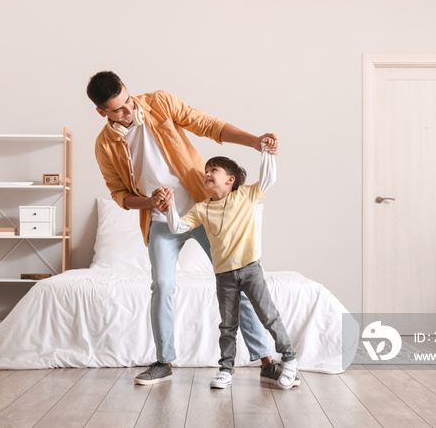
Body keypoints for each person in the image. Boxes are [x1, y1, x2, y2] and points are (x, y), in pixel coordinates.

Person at [88, 71, 295, 387]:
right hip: (161, 220)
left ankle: (266, 360)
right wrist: (150, 202)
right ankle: (164, 361)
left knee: (236, 277)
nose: (129, 112)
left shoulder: (159, 102)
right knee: (161, 285)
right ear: (102, 112)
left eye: (128, 101)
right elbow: (119, 195)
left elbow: (208, 125)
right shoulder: (105, 145)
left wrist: (254, 141)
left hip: (203, 212)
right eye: (118, 110)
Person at [162, 144, 298, 389]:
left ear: (230, 180)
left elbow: (269, 178)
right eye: (205, 171)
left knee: (268, 316)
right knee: (227, 326)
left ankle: (289, 358)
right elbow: (177, 228)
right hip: (223, 275)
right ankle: (226, 369)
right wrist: (169, 207)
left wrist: (266, 151)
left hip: (250, 269)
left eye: (213, 170)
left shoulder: (244, 195)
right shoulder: (202, 208)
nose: (207, 174)